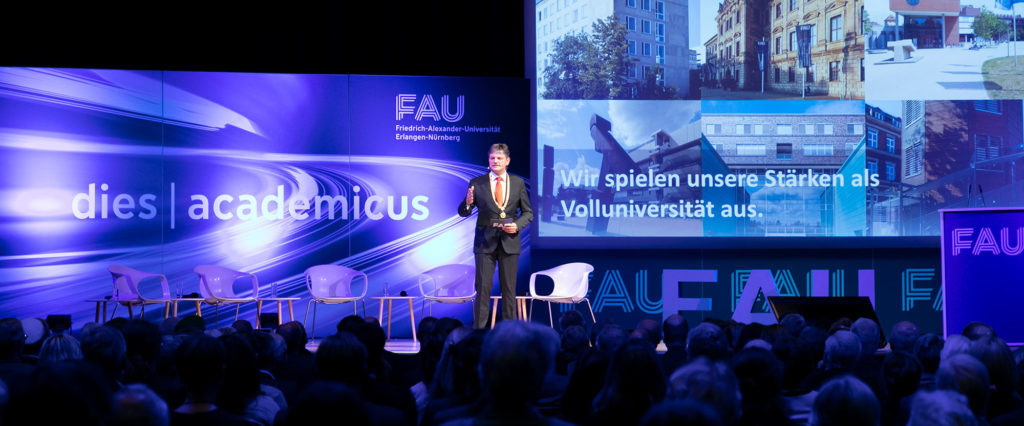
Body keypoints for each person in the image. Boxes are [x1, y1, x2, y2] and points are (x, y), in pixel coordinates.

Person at [457, 143, 534, 329]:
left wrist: (516, 225)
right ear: (488, 161)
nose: (495, 161)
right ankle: (478, 334)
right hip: (485, 244)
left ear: (507, 161)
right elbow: (463, 212)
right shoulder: (477, 183)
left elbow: (528, 213)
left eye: (499, 158)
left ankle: (509, 335)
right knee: (482, 290)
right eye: (492, 158)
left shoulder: (517, 183)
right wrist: (467, 204)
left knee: (509, 291)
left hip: (510, 243)